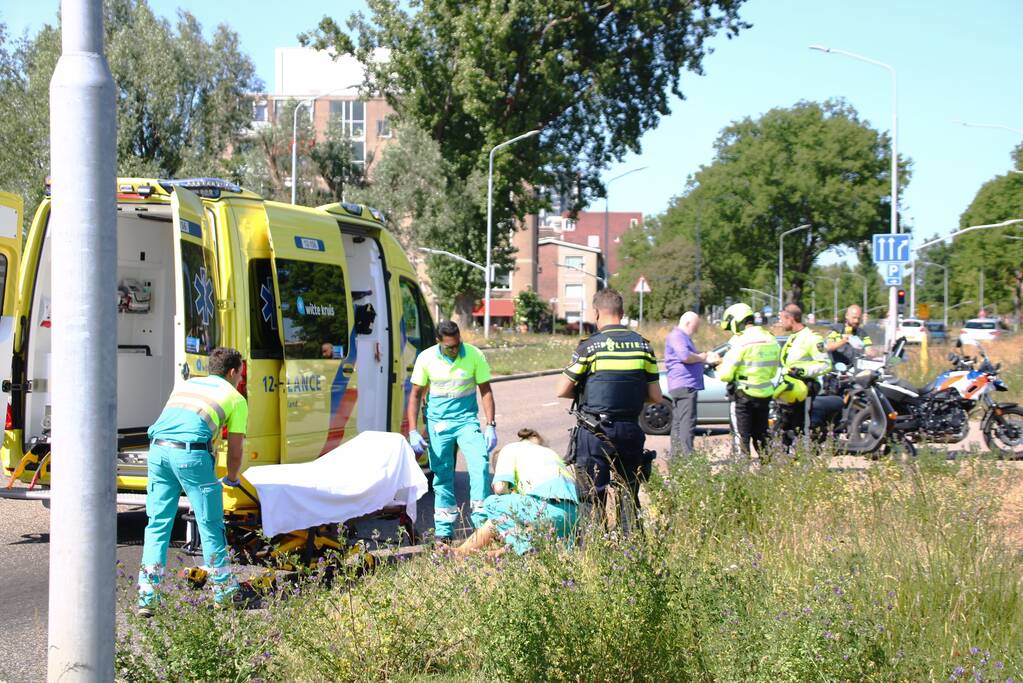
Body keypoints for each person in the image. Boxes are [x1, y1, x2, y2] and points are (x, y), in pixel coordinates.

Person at [138, 347, 251, 616]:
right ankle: (223, 593)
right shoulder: (235, 398)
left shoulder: (185, 385)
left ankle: (146, 598)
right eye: (240, 374)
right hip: (191, 455)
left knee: (157, 524)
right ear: (233, 372)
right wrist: (232, 479)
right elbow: (235, 451)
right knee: (210, 524)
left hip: (157, 452)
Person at [555, 288, 661, 515]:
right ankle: (631, 546)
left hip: (595, 432)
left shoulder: (589, 346)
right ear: (621, 313)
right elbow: (655, 396)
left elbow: (562, 390)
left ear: (595, 313)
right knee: (628, 495)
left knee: (591, 498)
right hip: (630, 430)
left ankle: (595, 547)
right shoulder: (644, 346)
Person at [406, 320, 498, 543]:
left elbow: (485, 390)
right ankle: (444, 531)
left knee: (480, 465)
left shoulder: (474, 355)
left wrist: (491, 425)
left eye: (457, 344)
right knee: (442, 476)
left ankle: (482, 526)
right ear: (438, 342)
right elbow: (416, 394)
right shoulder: (426, 358)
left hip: (467, 421)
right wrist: (413, 431)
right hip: (439, 424)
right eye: (449, 347)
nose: (455, 350)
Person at [442, 428, 577, 557]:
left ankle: (525, 549)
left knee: (492, 504)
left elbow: (500, 488)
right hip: (573, 515)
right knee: (503, 519)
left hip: (544, 507)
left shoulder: (509, 449)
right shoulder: (551, 453)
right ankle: (468, 552)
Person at [716, 302, 781, 461]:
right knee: (763, 437)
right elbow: (772, 371)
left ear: (736, 321)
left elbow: (725, 375)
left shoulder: (741, 341)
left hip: (743, 396)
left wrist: (718, 364)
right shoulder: (771, 339)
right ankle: (768, 473)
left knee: (741, 440)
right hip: (765, 395)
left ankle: (741, 478)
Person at [664, 312, 719, 458]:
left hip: (682, 384)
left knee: (679, 422)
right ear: (688, 323)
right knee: (687, 423)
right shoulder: (677, 336)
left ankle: (677, 457)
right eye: (696, 326)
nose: (697, 330)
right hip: (685, 385)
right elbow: (685, 356)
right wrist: (701, 357)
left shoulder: (681, 337)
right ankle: (687, 457)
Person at [776, 304, 831, 441]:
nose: (780, 322)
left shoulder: (812, 338)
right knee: (785, 425)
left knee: (802, 426)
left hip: (805, 388)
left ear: (791, 318)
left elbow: (825, 365)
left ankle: (803, 456)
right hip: (790, 389)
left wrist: (803, 371)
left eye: (782, 318)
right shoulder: (793, 337)